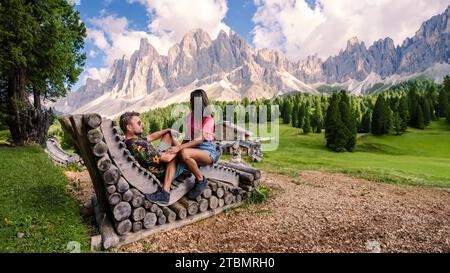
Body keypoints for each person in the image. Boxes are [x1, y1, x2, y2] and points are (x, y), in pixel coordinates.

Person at [119, 111, 184, 206]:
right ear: (129, 127)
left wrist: (167, 130)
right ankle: (165, 193)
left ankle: (185, 150)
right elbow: (167, 159)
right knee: (181, 152)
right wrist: (180, 148)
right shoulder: (137, 145)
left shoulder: (133, 139)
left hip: (158, 157)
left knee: (168, 135)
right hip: (163, 170)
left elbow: (151, 137)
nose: (142, 125)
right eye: (139, 123)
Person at [167, 89, 220, 199]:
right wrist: (177, 148)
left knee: (184, 152)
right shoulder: (190, 116)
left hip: (206, 150)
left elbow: (199, 139)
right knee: (169, 135)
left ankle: (200, 180)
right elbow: (187, 137)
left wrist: (179, 149)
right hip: (192, 147)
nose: (190, 102)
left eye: (192, 100)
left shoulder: (208, 119)